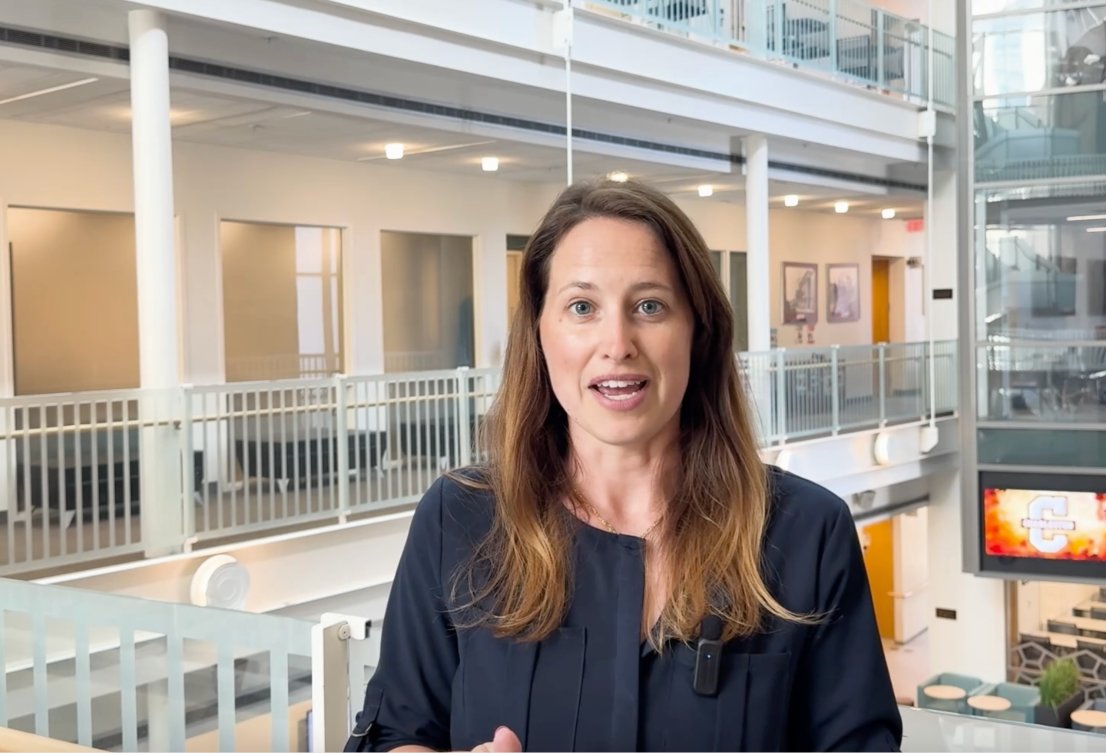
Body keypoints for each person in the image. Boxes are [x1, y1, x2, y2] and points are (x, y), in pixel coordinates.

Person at [347, 179, 901, 752]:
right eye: (582, 307)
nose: (617, 342)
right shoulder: (459, 518)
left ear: (698, 333)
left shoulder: (807, 531)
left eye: (649, 306)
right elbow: (395, 732)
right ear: (539, 333)